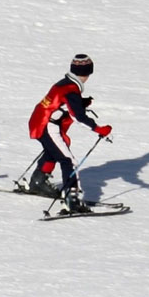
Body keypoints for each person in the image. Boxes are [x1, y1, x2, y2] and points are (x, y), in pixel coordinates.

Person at [27, 54, 112, 209]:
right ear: (88, 72)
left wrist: (80, 103)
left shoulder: (66, 83)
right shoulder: (71, 90)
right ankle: (71, 200)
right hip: (47, 125)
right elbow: (78, 117)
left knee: (55, 151)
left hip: (40, 121)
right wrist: (99, 129)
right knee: (69, 161)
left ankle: (38, 181)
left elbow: (60, 102)